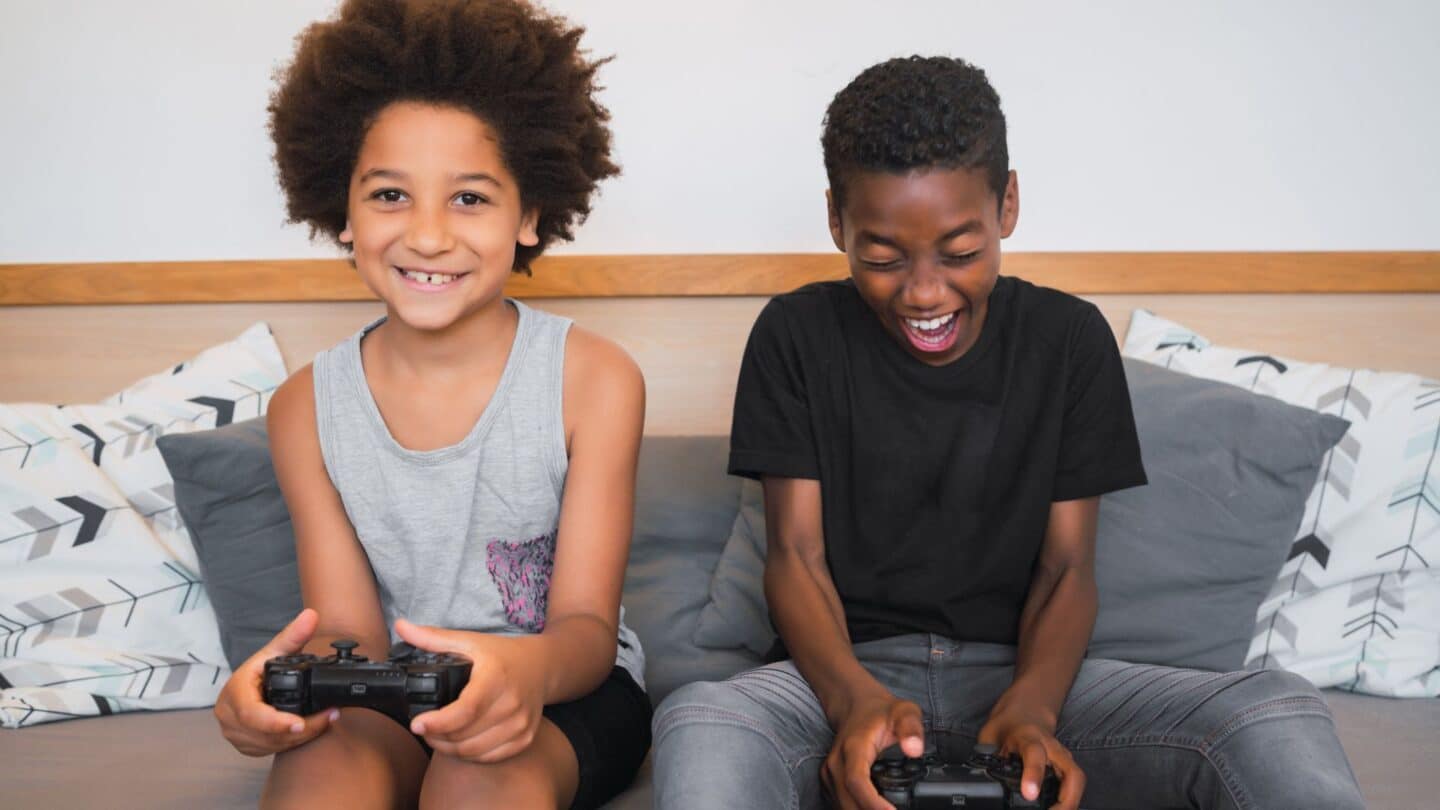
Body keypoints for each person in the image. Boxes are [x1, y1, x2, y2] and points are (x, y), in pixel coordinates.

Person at [651, 56, 1364, 810]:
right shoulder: (795, 335)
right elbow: (796, 556)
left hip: (1025, 678)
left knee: (1270, 708)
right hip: (841, 678)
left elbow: (1067, 570)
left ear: (1008, 205)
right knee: (701, 717)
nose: (925, 292)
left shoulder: (1069, 340)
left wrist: (1035, 706)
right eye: (882, 257)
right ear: (836, 221)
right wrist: (852, 700)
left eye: (960, 253)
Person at [210, 1, 651, 807]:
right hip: (392, 692)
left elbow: (585, 632)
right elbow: (350, 635)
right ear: (341, 212)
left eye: (470, 199)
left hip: (563, 690)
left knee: (477, 775)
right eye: (389, 195)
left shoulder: (595, 379)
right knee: (317, 770)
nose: (428, 235)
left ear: (530, 214)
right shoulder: (305, 408)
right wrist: (281, 693)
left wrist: (513, 672)